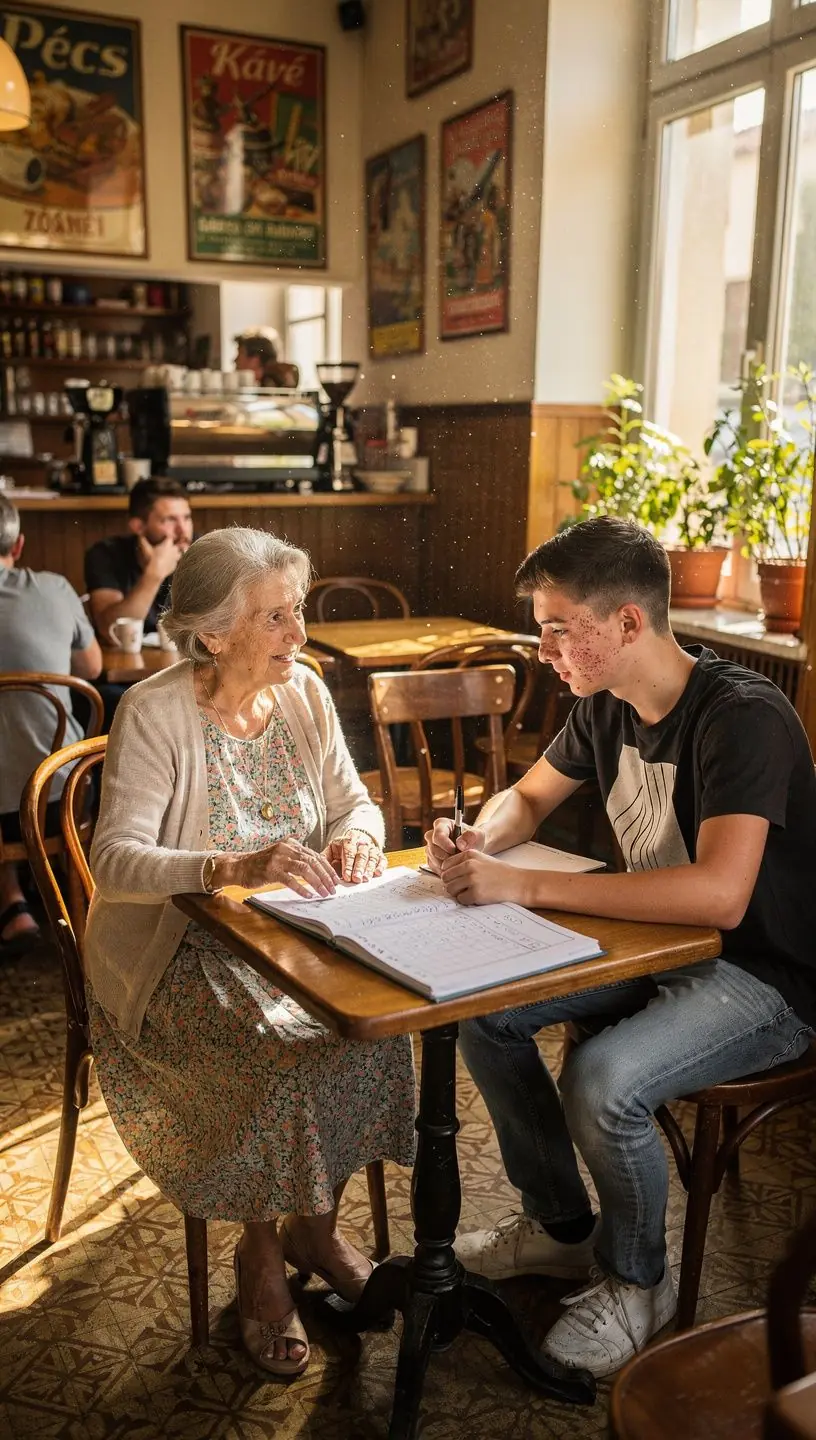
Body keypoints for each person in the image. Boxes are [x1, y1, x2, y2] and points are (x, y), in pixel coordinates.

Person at [425, 516, 816, 1379]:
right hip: (653, 948)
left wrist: (524, 886)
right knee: (484, 1018)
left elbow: (721, 894)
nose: (546, 648)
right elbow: (523, 801)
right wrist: (476, 838)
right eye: (543, 629)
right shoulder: (604, 706)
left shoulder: (741, 715)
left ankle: (636, 1283)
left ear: (630, 623)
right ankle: (562, 1229)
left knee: (601, 1082)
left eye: (560, 627)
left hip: (765, 977)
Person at [83, 526, 415, 1377]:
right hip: (179, 952)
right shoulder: (153, 713)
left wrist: (362, 842)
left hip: (297, 935)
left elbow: (356, 805)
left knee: (379, 1028)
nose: (299, 638)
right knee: (276, 1051)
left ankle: (313, 1223)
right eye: (276, 619)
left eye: (296, 612)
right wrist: (228, 865)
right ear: (215, 634)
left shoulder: (299, 692)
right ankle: (263, 1259)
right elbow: (115, 861)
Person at [0, 494, 102, 956]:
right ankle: (72, 892)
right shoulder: (56, 589)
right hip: (57, 789)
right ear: (18, 545)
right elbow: (92, 667)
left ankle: (11, 900)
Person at [84, 477, 193, 641]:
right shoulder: (106, 554)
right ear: (138, 526)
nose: (183, 530)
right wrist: (154, 574)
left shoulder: (204, 550)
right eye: (170, 520)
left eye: (187, 518)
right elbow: (111, 632)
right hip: (127, 663)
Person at [234, 329, 299, 390]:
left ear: (255, 359)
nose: (235, 360)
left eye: (240, 354)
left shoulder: (270, 388)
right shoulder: (253, 386)